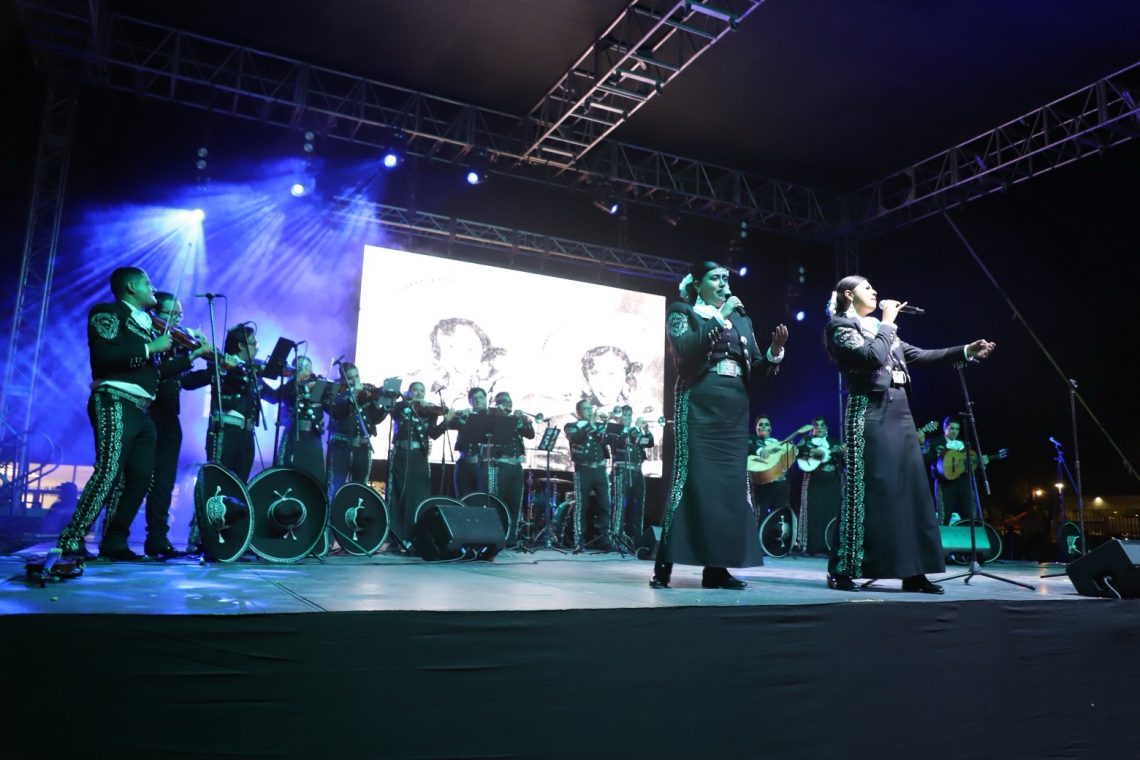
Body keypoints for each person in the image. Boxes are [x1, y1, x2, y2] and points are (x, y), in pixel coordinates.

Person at [823, 275, 995, 593]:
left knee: (910, 491)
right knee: (868, 490)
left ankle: (913, 571)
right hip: (869, 412)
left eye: (873, 287)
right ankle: (842, 568)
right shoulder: (841, 327)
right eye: (866, 287)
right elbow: (871, 358)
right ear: (848, 294)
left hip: (900, 413)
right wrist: (888, 322)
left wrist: (965, 351)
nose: (875, 291)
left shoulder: (880, 329)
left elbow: (920, 355)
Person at [54, 267, 211, 561]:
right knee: (109, 470)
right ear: (129, 287)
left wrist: (191, 356)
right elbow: (104, 356)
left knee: (140, 477)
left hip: (141, 408)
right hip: (114, 399)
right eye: (147, 283)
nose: (153, 288)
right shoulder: (107, 313)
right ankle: (71, 537)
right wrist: (150, 347)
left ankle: (114, 542)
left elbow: (157, 373)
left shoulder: (147, 326)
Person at [653, 261, 788, 590]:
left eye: (726, 278)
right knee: (689, 480)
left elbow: (756, 367)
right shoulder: (682, 312)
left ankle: (717, 569)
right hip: (698, 403)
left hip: (734, 409)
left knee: (729, 487)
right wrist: (719, 314)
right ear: (697, 284)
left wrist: (774, 351)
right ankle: (664, 566)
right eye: (715, 278)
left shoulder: (742, 318)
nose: (724, 283)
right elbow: (686, 351)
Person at [140, 291, 217, 558]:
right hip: (146, 413)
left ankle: (158, 539)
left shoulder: (175, 344)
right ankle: (115, 537)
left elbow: (184, 381)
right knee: (136, 479)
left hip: (169, 416)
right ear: (155, 314)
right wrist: (192, 355)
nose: (175, 320)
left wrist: (213, 370)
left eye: (179, 315)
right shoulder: (149, 338)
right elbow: (159, 374)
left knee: (164, 481)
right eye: (170, 314)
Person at [388, 381, 452, 548]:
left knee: (418, 495)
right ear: (408, 392)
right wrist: (408, 402)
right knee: (398, 493)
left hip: (419, 456)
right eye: (415, 390)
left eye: (421, 390)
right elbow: (392, 409)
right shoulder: (400, 407)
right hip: (400, 454)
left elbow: (434, 433)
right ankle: (396, 538)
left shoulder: (429, 411)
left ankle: (416, 537)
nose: (418, 393)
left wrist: (448, 419)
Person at [326, 362, 387, 497]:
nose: (355, 380)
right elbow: (337, 413)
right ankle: (334, 510)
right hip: (341, 446)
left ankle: (356, 510)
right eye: (350, 378)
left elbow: (375, 418)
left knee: (360, 485)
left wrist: (386, 405)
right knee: (336, 484)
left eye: (356, 376)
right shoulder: (336, 392)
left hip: (363, 446)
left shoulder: (367, 393)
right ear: (342, 379)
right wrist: (351, 395)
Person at [564, 399, 614, 551]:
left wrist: (606, 424)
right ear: (578, 412)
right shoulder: (571, 426)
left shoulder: (597, 426)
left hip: (600, 470)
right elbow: (576, 438)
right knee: (581, 505)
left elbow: (608, 440)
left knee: (605, 505)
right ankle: (579, 539)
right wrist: (591, 424)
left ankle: (605, 539)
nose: (590, 411)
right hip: (583, 470)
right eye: (586, 409)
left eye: (590, 409)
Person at [275, 355, 333, 485]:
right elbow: (279, 398)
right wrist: (301, 385)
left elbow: (332, 409)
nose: (305, 369)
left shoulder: (318, 385)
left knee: (315, 475)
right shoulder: (290, 386)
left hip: (313, 437)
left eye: (308, 366)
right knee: (289, 473)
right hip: (294, 435)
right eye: (300, 367)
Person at [793, 416, 844, 556]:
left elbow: (843, 462)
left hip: (832, 483)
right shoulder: (807, 441)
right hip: (814, 482)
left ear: (827, 428)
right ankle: (812, 547)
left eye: (822, 425)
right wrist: (811, 452)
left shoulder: (834, 442)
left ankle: (830, 547)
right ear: (813, 428)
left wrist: (843, 453)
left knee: (831, 513)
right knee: (814, 514)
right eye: (817, 425)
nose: (820, 428)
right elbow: (797, 452)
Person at [923, 416, 985, 526]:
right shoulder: (935, 442)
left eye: (957, 429)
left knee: (971, 517)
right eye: (951, 428)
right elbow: (925, 458)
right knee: (943, 518)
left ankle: (970, 537)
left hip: (964, 483)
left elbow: (971, 464)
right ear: (944, 428)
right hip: (944, 484)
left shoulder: (965, 444)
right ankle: (942, 537)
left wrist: (980, 462)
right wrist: (922, 445)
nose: (954, 432)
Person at [489, 391, 535, 537]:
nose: (508, 404)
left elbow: (530, 435)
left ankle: (511, 536)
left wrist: (526, 422)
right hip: (500, 465)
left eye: (509, 401)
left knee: (515, 503)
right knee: (498, 502)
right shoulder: (493, 417)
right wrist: (513, 418)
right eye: (504, 401)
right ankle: (496, 535)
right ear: (497, 404)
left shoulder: (514, 419)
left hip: (516, 466)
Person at [608, 406, 654, 543]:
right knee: (620, 506)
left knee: (638, 506)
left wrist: (646, 430)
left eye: (630, 415)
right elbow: (619, 441)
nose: (628, 418)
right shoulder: (615, 430)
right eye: (625, 415)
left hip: (637, 472)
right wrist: (635, 429)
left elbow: (649, 443)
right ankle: (616, 538)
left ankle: (637, 540)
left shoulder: (635, 432)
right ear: (619, 417)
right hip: (621, 471)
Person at [449, 386, 490, 497]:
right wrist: (461, 415)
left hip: (484, 466)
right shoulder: (464, 415)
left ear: (486, 399)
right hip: (464, 464)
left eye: (481, 397)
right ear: (470, 402)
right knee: (463, 498)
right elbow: (450, 424)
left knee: (482, 499)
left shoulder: (492, 417)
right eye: (474, 398)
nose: (478, 401)